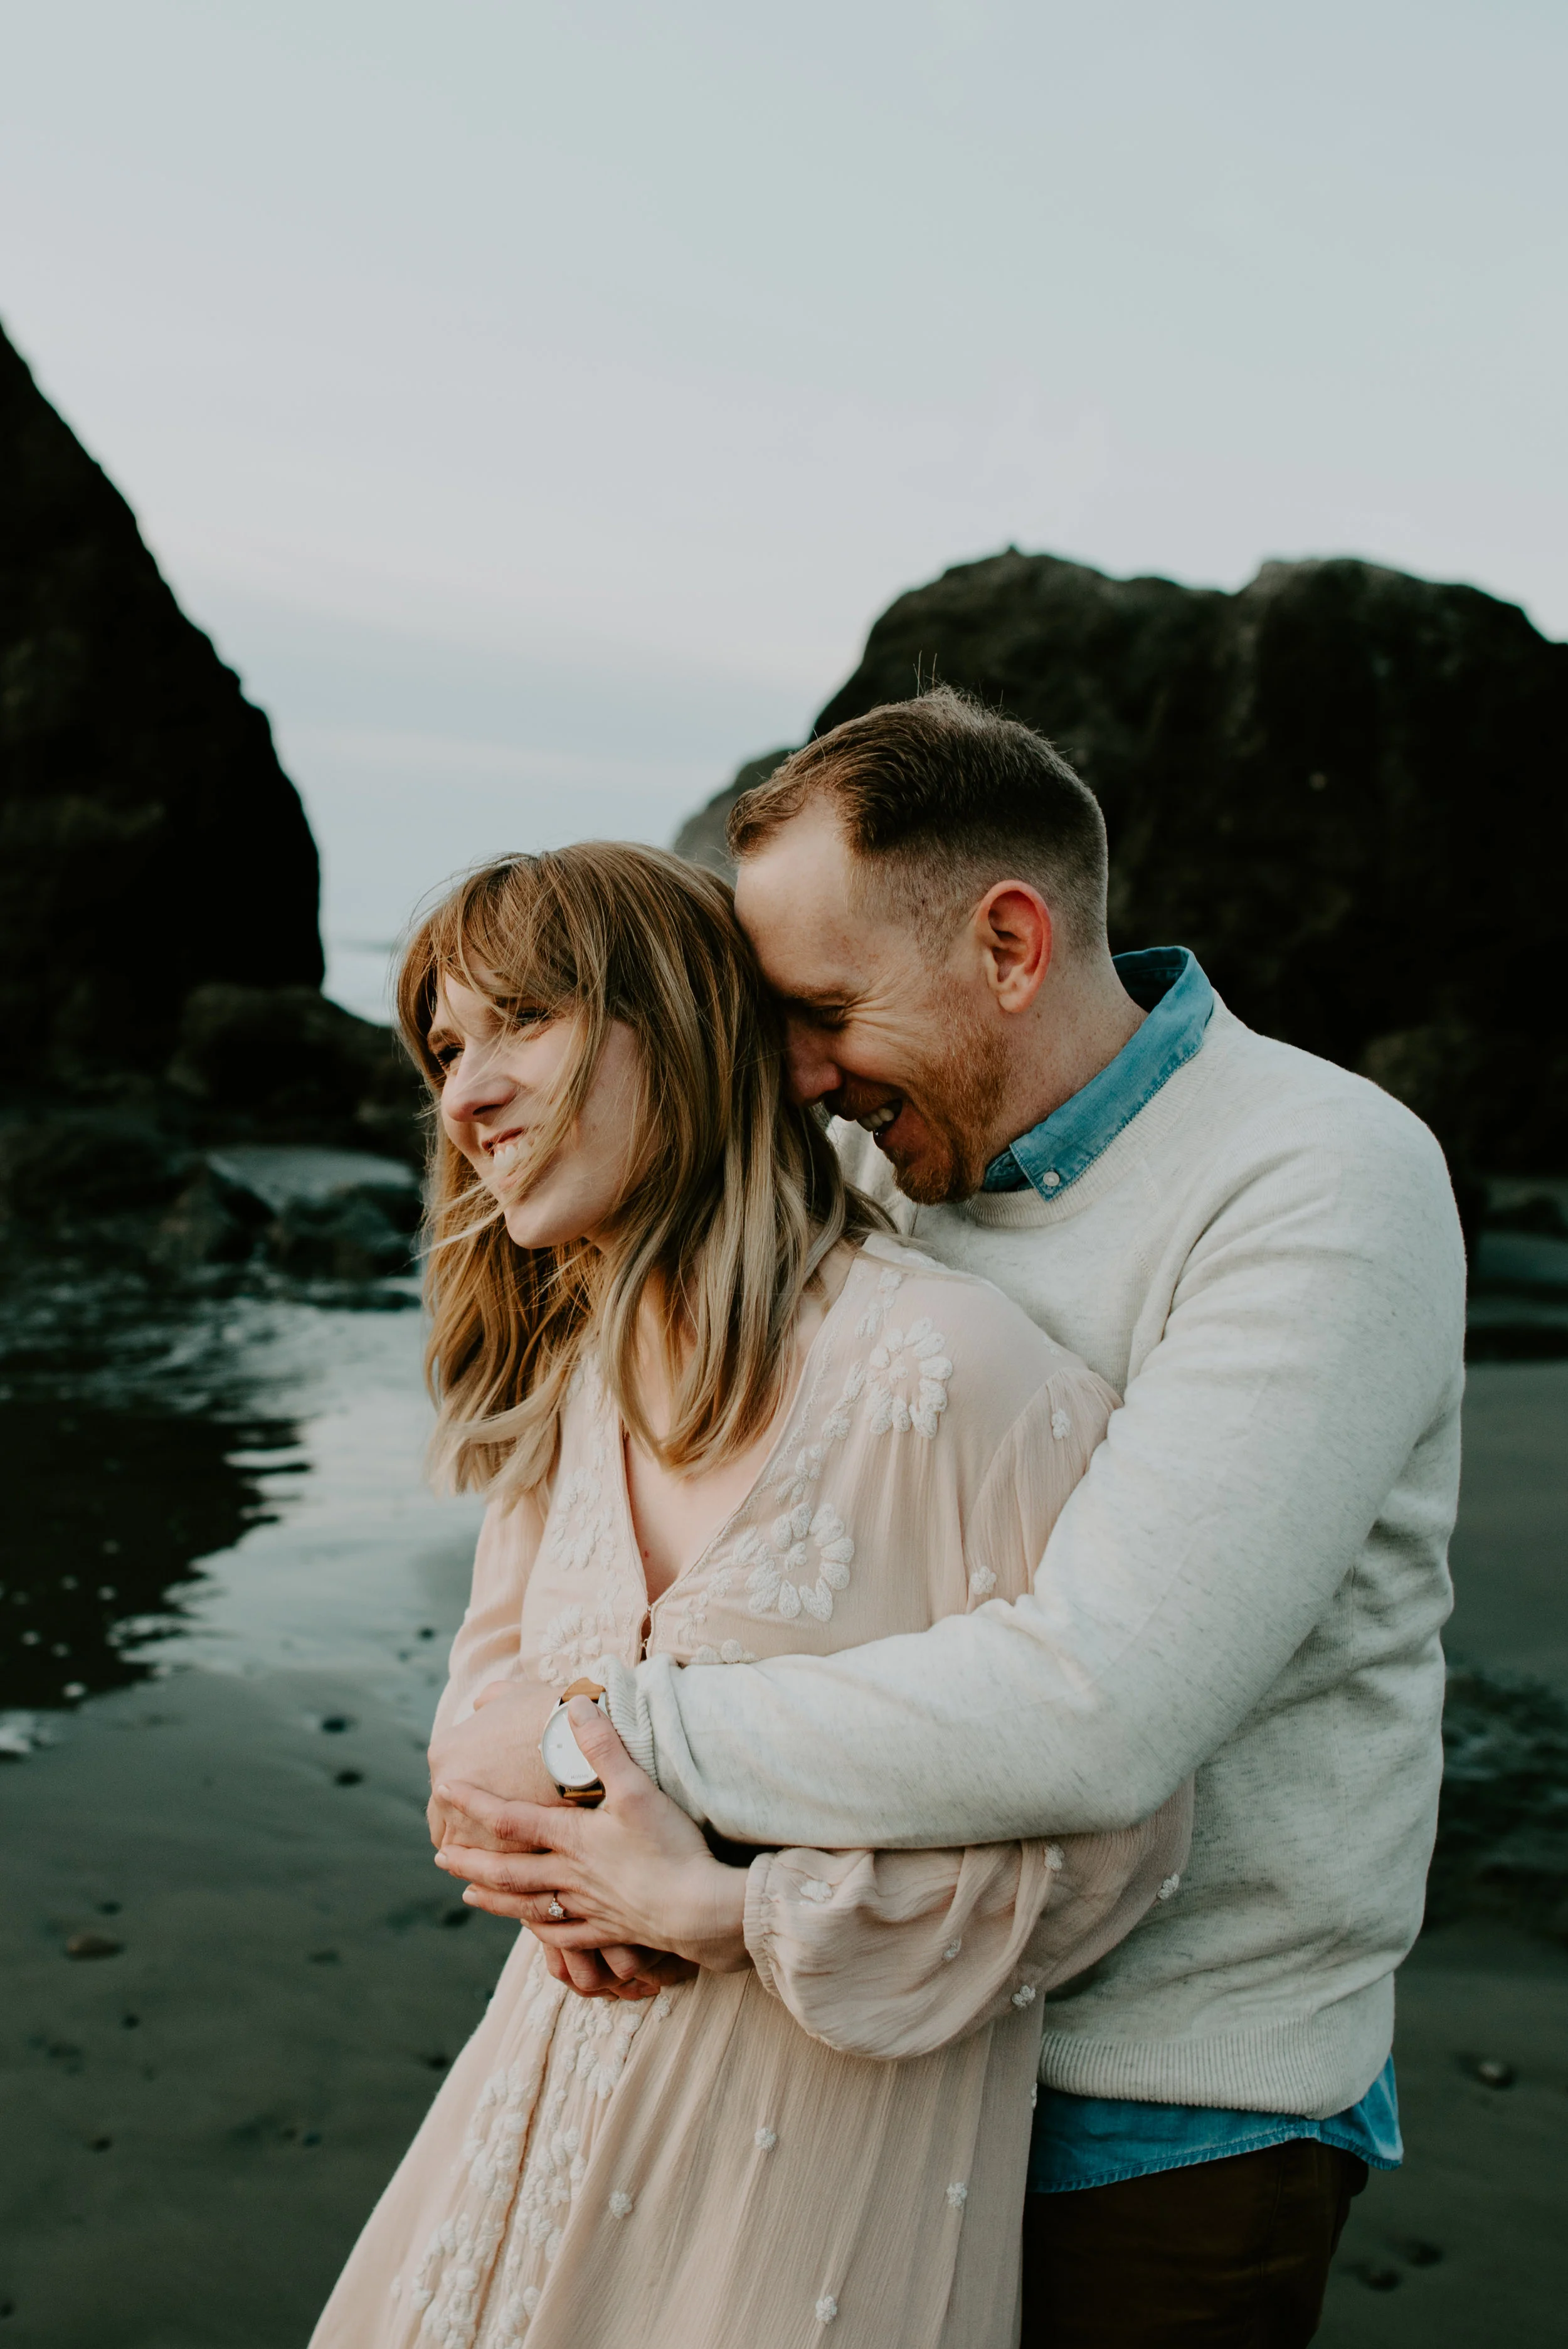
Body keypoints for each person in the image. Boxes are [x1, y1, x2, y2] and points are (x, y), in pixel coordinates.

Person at [436, 691, 1467, 2347]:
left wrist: (587, 1739)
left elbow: (1097, 1701)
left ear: (1006, 943)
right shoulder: (870, 1172)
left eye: (823, 1007)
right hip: (826, 2057)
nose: (792, 1070)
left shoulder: (1313, 1178)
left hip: (1151, 2102)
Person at [309, 840, 1188, 2349]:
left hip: (799, 2194)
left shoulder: (956, 1374)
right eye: (445, 1048)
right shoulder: (576, 1388)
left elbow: (1122, 1833)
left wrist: (732, 1910)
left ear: (693, 1027)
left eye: (523, 1020)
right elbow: (480, 1723)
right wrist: (522, 1848)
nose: (463, 1096)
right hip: (522, 2127)